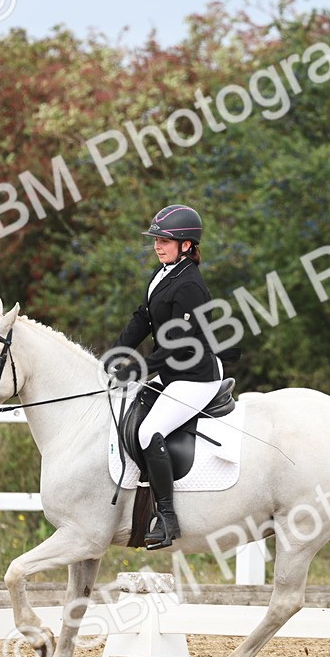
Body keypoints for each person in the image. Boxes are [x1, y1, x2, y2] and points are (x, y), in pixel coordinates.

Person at [105, 204, 226, 549]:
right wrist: (114, 354)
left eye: (165, 240)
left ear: (186, 245)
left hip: (194, 375)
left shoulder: (189, 285)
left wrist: (138, 367)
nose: (157, 245)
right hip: (173, 372)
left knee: (148, 431)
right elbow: (142, 319)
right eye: (156, 239)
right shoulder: (164, 273)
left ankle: (167, 517)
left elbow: (178, 345)